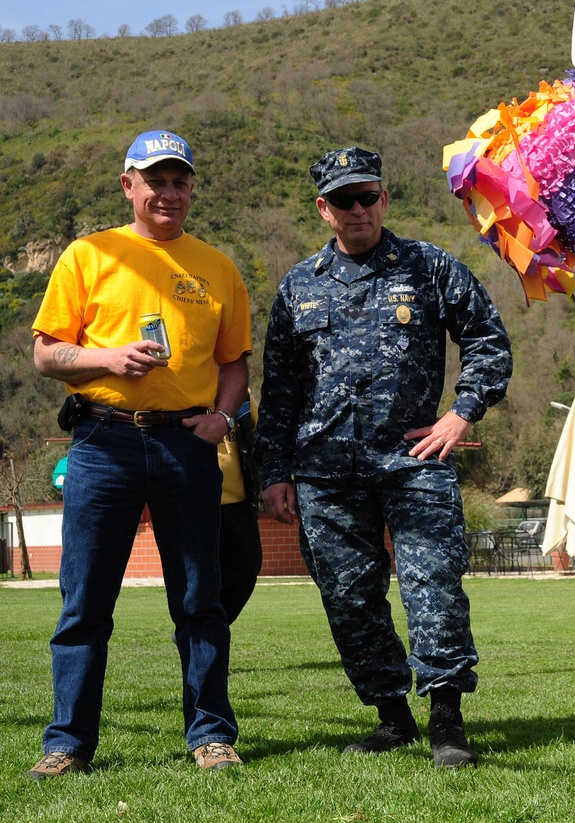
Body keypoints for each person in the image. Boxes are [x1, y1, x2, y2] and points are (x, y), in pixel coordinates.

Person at [256, 146, 513, 769]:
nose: (357, 209)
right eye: (343, 200)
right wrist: (272, 472)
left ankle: (446, 721)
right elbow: (281, 388)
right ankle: (391, 718)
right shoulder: (298, 287)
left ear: (384, 199)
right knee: (347, 596)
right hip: (324, 471)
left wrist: (463, 411)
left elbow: (487, 337)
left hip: (413, 459)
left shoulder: (428, 267)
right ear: (324, 209)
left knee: (433, 586)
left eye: (367, 195)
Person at [28, 130, 251, 778]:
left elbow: (234, 363)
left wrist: (223, 417)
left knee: (200, 599)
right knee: (85, 601)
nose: (170, 193)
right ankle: (67, 742)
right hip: (103, 442)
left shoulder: (217, 267)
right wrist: (105, 357)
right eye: (156, 181)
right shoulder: (88, 255)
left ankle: (211, 734)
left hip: (187, 443)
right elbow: (46, 353)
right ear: (129, 185)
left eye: (180, 181)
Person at [217, 392, 263, 623]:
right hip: (197, 506)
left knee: (246, 572)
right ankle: (199, 631)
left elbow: (260, 434)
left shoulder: (241, 396)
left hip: (240, 504)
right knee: (201, 580)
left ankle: (211, 625)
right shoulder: (184, 391)